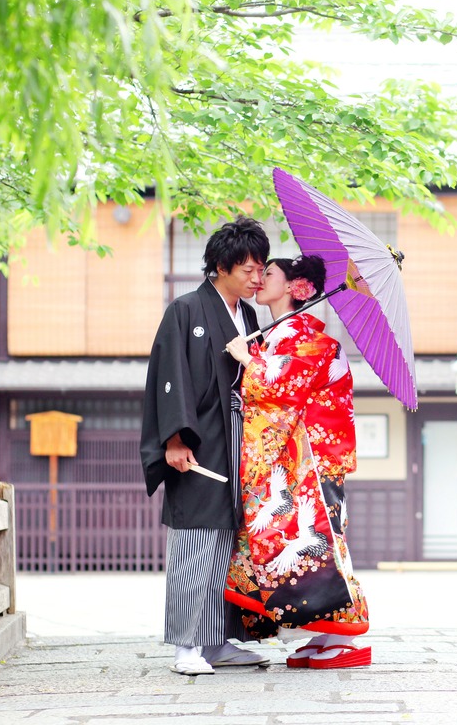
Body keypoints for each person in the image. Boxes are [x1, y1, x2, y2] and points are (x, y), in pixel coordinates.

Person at [224, 255, 371, 669]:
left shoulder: (311, 337)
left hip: (314, 457)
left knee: (324, 543)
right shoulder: (279, 335)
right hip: (294, 459)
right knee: (295, 544)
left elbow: (286, 385)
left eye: (267, 273)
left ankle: (348, 636)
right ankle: (324, 632)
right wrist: (255, 353)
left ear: (294, 287)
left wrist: (249, 359)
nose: (258, 279)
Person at [140, 217, 271, 675]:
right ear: (221, 265)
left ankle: (215, 641)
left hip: (236, 441)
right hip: (198, 442)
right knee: (195, 539)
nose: (258, 279)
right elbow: (168, 375)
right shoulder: (187, 309)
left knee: (227, 542)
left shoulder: (249, 317)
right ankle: (185, 645)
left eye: (262, 270)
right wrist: (174, 438)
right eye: (250, 270)